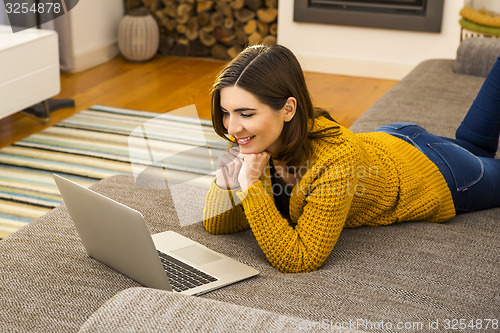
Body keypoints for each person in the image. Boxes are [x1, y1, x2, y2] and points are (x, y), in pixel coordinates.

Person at [202, 44, 500, 273]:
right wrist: (226, 183)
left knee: (475, 154)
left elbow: (300, 258)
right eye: (227, 112)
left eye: (246, 113)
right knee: (472, 144)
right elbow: (215, 225)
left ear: (289, 109)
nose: (231, 127)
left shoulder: (335, 159)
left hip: (438, 172)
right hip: (392, 138)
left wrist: (251, 187)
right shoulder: (257, 138)